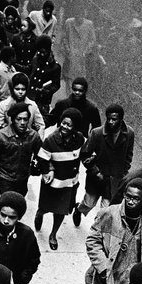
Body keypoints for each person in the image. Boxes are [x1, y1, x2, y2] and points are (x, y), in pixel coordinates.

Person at [72, 103, 134, 226]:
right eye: (109, 119)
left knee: (105, 211)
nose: (111, 122)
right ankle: (78, 210)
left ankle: (96, 232)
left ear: (121, 119)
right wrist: (95, 171)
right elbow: (84, 154)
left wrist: (124, 172)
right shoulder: (97, 133)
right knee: (88, 203)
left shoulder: (129, 133)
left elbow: (129, 154)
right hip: (96, 177)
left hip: (113, 180)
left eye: (114, 119)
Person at [32, 107, 85, 250]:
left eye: (69, 125)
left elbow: (83, 154)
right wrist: (49, 169)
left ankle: (53, 234)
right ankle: (40, 213)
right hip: (52, 182)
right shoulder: (51, 140)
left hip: (69, 182)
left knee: (61, 211)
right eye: (63, 123)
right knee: (46, 207)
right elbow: (42, 158)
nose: (65, 127)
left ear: (75, 127)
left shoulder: (79, 139)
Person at [0, 72, 45, 138]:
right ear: (12, 89)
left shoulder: (32, 105)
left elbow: (40, 126)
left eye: (23, 89)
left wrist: (37, 142)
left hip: (26, 142)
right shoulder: (4, 105)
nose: (20, 92)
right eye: (17, 89)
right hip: (7, 142)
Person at [27, 36, 62, 121]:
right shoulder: (35, 60)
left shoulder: (55, 67)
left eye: (44, 52)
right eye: (40, 52)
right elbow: (29, 71)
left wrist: (46, 91)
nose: (42, 54)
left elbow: (56, 85)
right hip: (30, 96)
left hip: (42, 101)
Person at [60, 10, 97, 85]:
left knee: (80, 78)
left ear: (84, 16)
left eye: (80, 16)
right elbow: (64, 38)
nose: (78, 18)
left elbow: (92, 40)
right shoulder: (69, 22)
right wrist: (68, 50)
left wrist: (86, 51)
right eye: (77, 15)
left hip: (82, 58)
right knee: (69, 77)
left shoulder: (89, 24)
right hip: (70, 56)